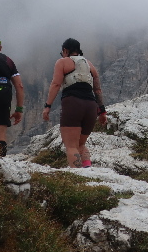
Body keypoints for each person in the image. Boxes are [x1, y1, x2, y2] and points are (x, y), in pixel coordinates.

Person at [42, 38, 107, 168]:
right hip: (91, 106)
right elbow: (98, 90)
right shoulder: (90, 65)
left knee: (71, 146)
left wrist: (48, 106)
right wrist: (102, 111)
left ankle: (78, 173)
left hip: (73, 103)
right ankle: (87, 170)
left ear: (65, 50)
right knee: (81, 144)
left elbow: (56, 84)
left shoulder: (62, 62)